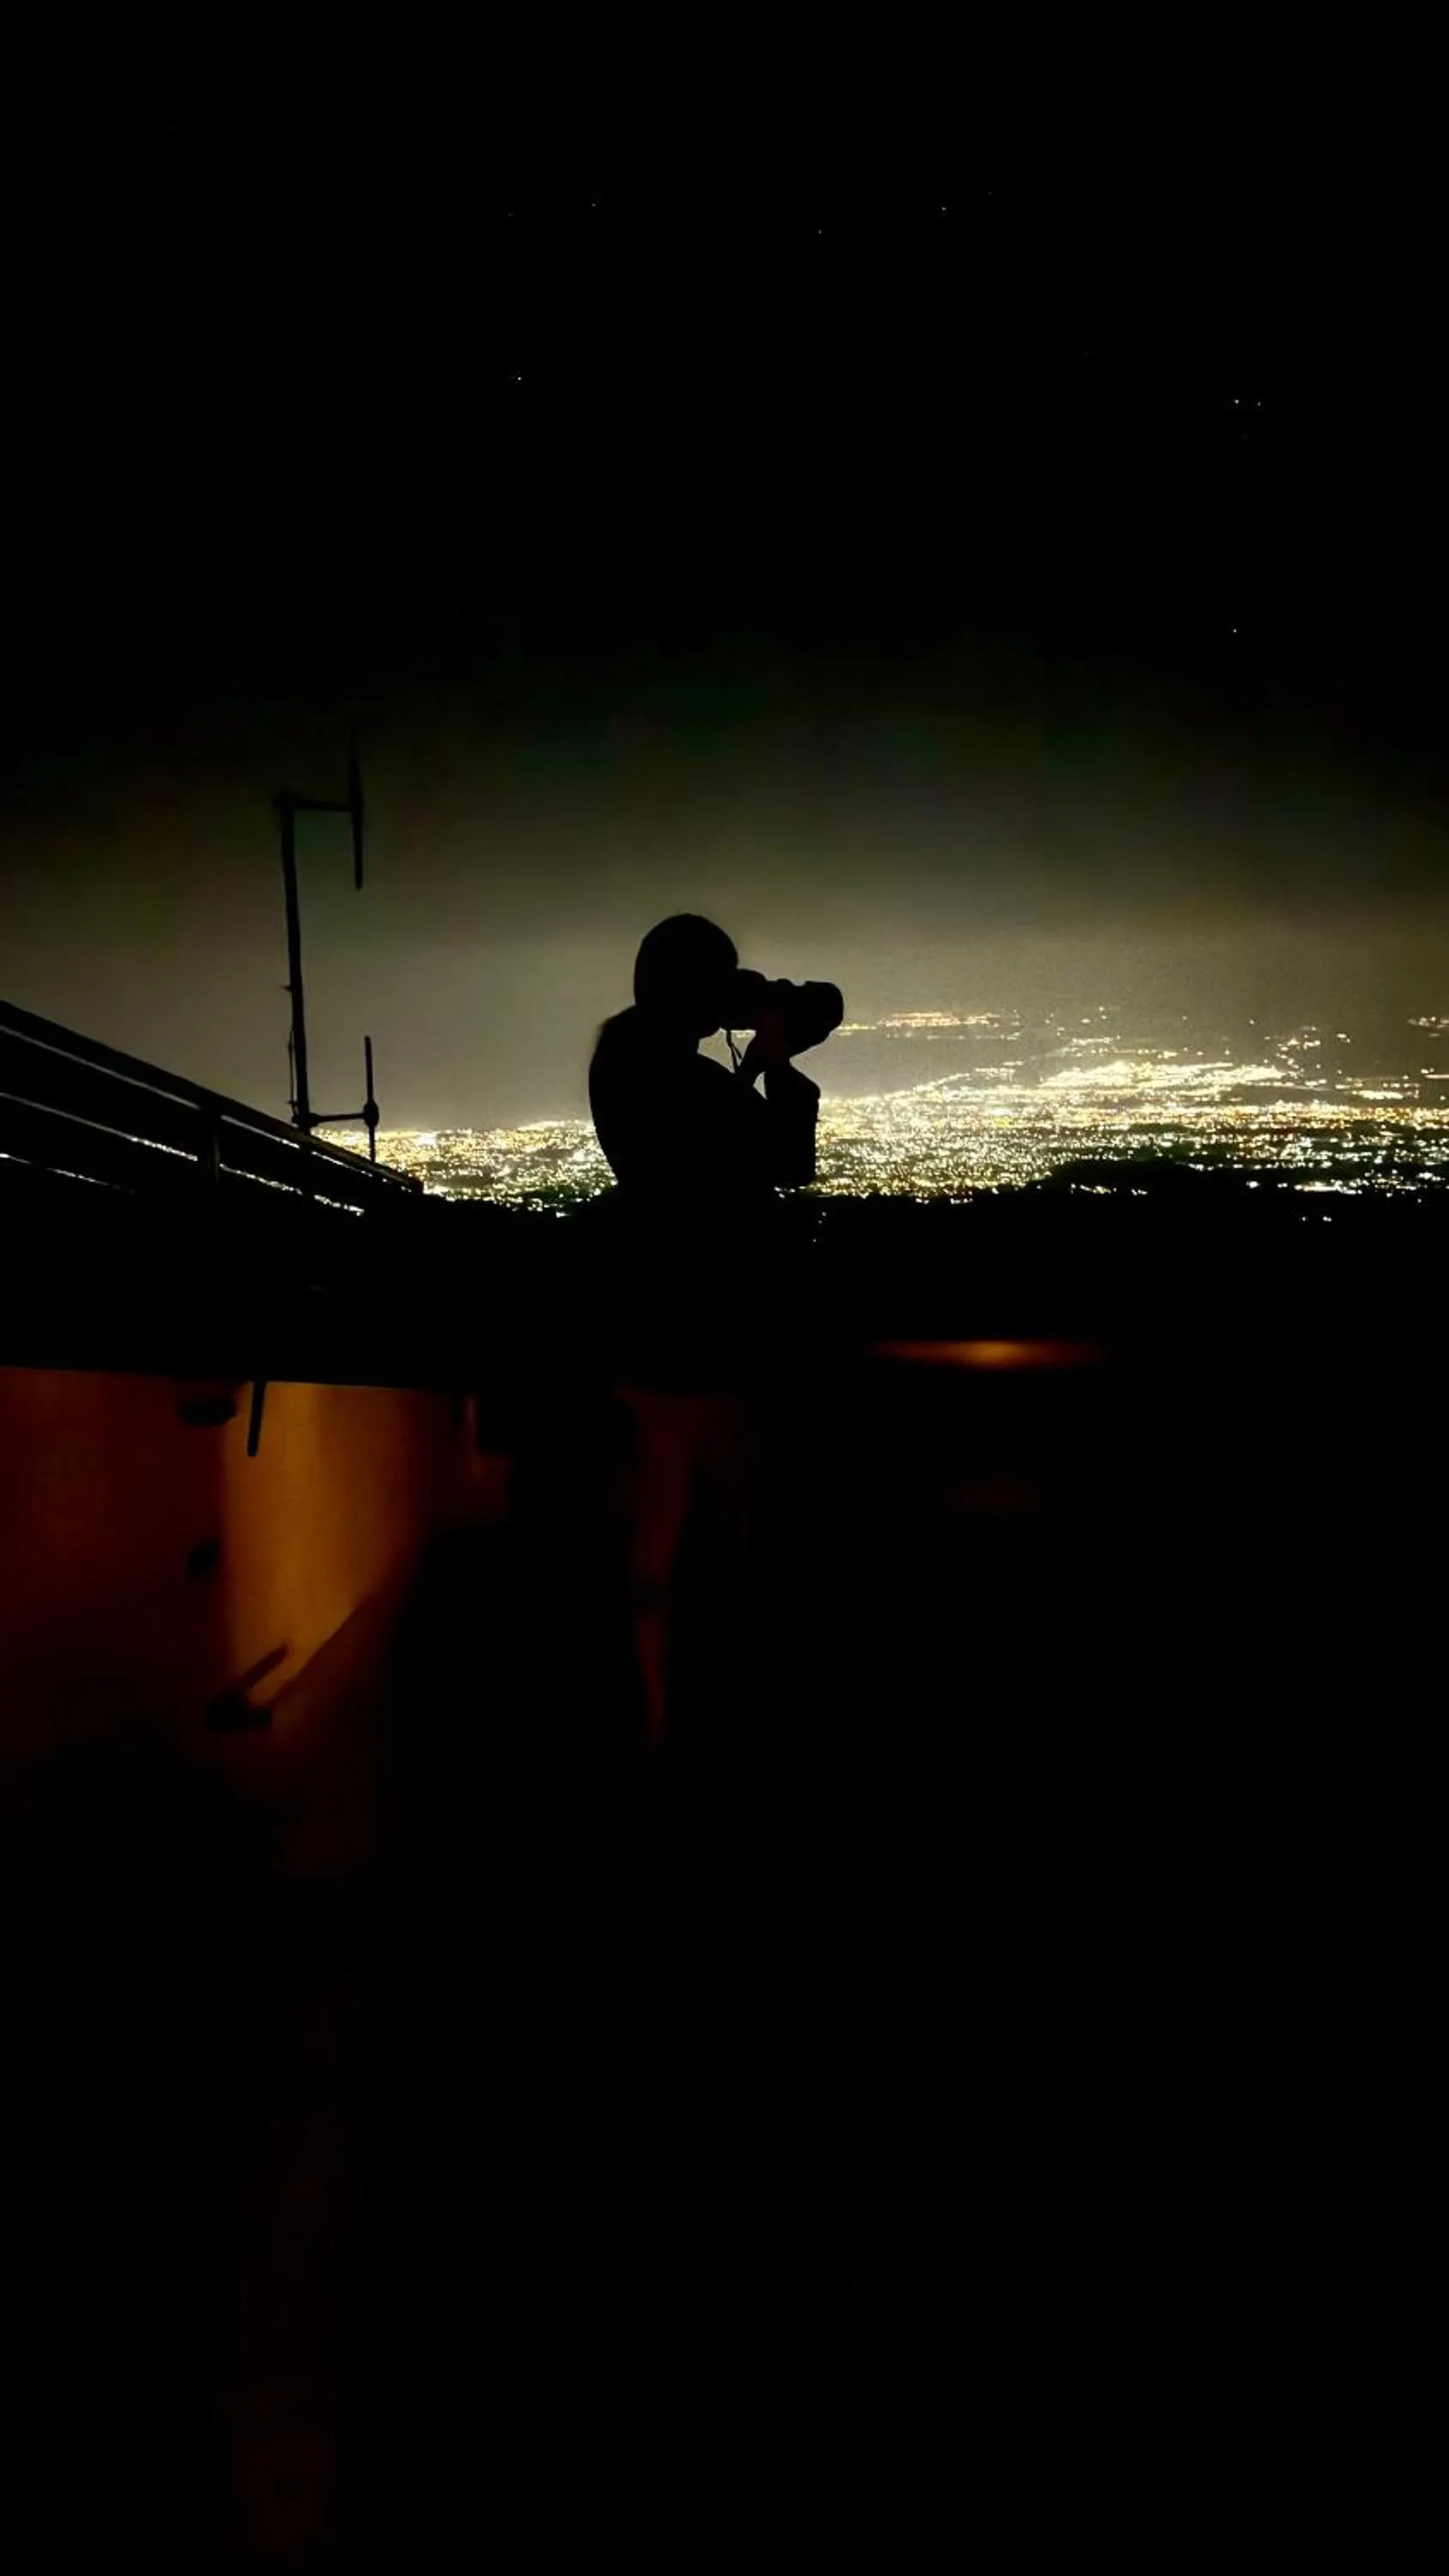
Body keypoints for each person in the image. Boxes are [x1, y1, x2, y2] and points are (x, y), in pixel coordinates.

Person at [585, 915, 826, 1748]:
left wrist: (753, 1056)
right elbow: (783, 1160)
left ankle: (658, 1718)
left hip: (649, 1334)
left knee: (657, 1550)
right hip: (707, 1341)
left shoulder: (622, 1056)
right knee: (715, 1551)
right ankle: (702, 1724)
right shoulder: (676, 1081)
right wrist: (775, 1065)